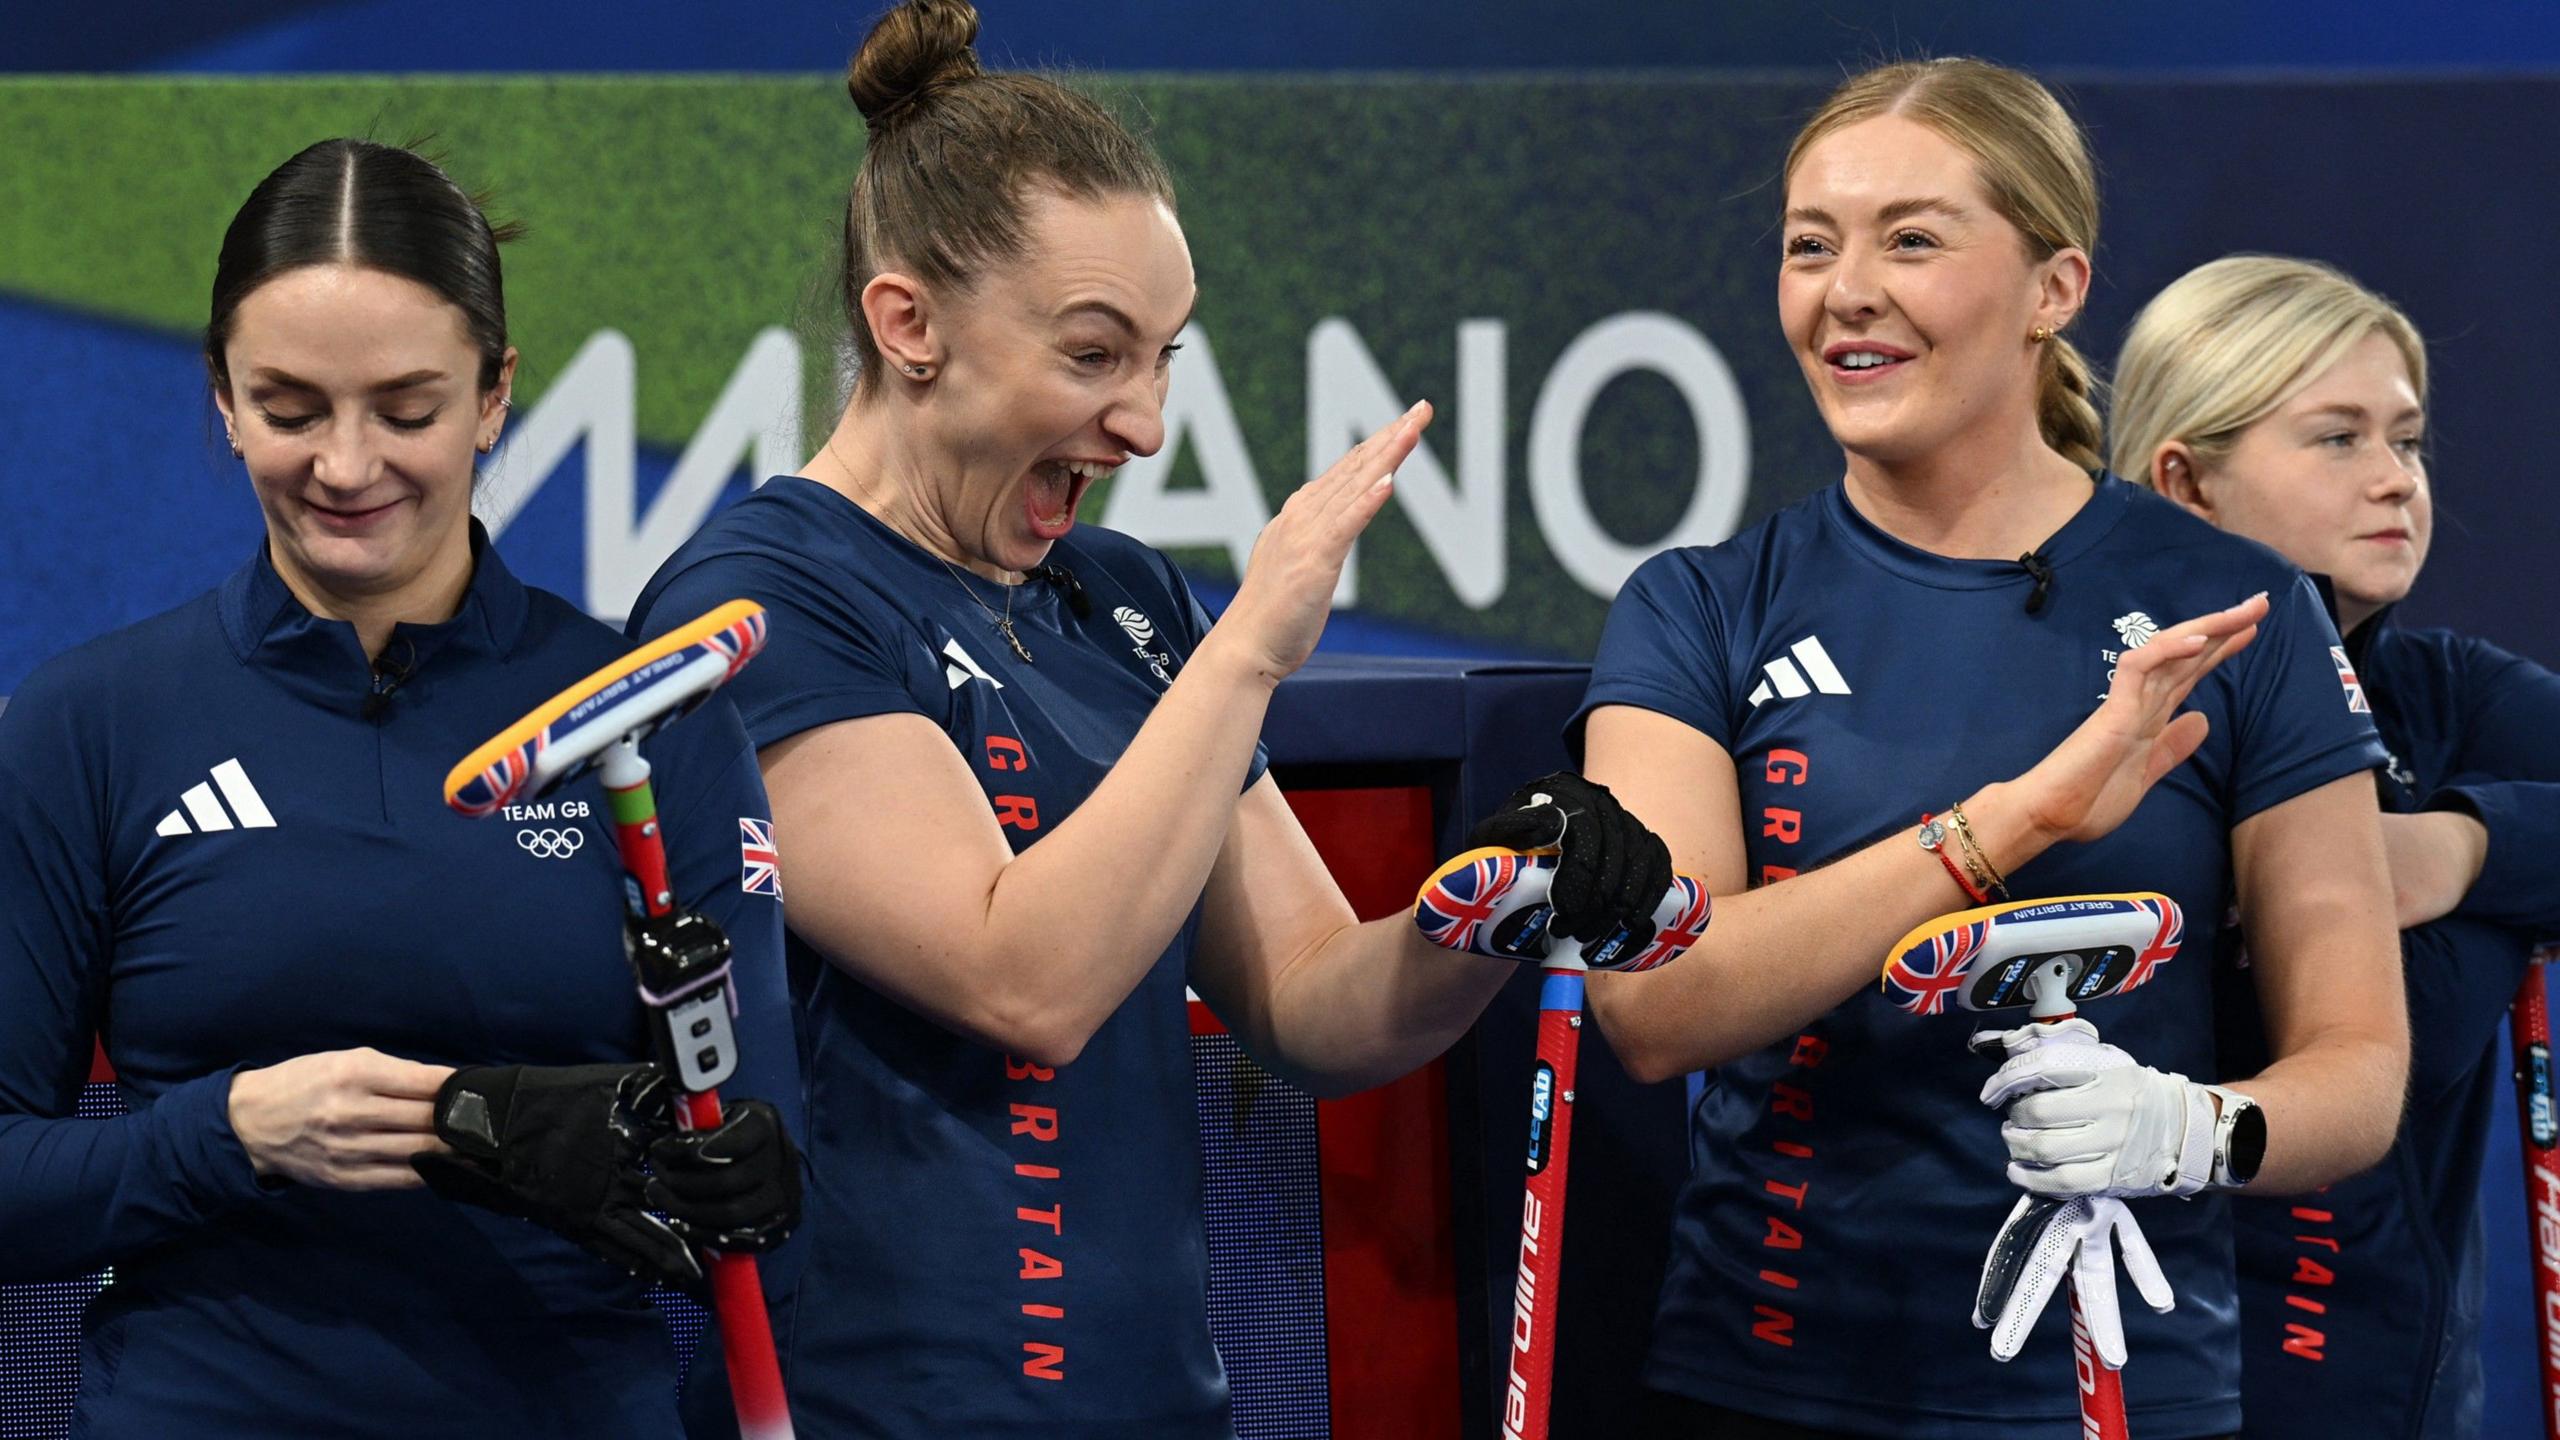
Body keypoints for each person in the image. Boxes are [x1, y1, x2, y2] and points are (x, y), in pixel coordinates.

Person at [624, 3, 1673, 1436]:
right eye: (1095, 354)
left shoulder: (1121, 597)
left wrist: (1491, 908)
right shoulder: (755, 607)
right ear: (908, 322)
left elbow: (1312, 1001)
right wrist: (1251, 644)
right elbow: (1024, 982)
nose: (1148, 422)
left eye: (1167, 353)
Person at [1571, 59, 2408, 1440]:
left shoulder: (2236, 606)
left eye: (1912, 238)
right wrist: (2008, 825)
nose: (1846, 289)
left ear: (2053, 289)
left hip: (2128, 1391)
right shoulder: (1700, 604)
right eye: (1808, 244)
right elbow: (1657, 1009)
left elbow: (2359, 1064)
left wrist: (2191, 1131)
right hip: (1760, 1380)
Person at [0, 139, 800, 1437]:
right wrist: (235, 1131)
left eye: (408, 409)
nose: (348, 464)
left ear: (495, 396)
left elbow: (766, 1167)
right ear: (221, 397)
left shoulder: (651, 725)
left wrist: (729, 1174)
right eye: (291, 407)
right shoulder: (88, 723)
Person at [2112, 254, 2560, 1440]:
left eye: (2405, 441)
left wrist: (2463, 847)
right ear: (2184, 481)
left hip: (2381, 1400)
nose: (2395, 482)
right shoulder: (2080, 705)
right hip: (2108, 1377)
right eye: (2337, 439)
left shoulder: (2451, 697)